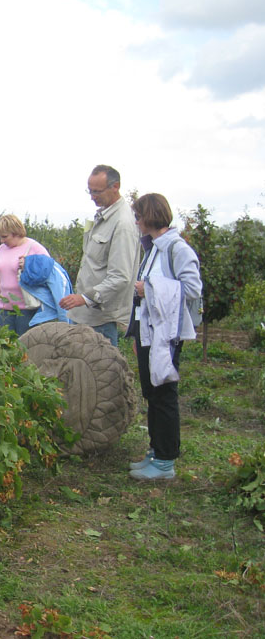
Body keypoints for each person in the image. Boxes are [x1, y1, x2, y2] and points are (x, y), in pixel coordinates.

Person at [127, 193, 202, 481]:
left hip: (167, 334)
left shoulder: (176, 248)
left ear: (149, 216)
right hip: (150, 332)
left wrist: (151, 289)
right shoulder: (154, 248)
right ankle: (156, 451)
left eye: (138, 216)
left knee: (164, 394)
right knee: (152, 393)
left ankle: (166, 461)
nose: (136, 221)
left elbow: (192, 288)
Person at [60, 165, 140, 347]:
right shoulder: (104, 216)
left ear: (115, 186)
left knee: (102, 370)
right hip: (85, 314)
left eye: (97, 192)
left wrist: (85, 298)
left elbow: (121, 277)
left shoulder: (123, 223)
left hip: (101, 318)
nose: (92, 197)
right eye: (90, 191)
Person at [0, 215, 49, 336]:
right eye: (0, 237)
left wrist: (29, 266)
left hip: (27, 308)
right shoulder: (2, 249)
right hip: (4, 308)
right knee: (6, 346)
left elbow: (48, 274)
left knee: (25, 347)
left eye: (5, 236)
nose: (1, 241)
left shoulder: (35, 248)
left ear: (16, 233)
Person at [18, 254, 74, 327]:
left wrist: (65, 326)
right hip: (41, 317)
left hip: (49, 318)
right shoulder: (28, 275)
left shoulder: (54, 272)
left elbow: (63, 302)